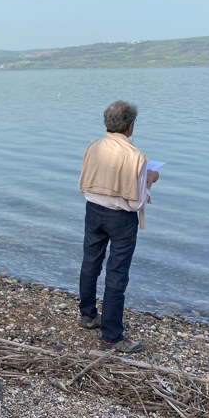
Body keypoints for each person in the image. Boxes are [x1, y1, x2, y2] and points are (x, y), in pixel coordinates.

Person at [77, 100, 159, 353]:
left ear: (107, 122)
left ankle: (88, 315)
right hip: (121, 218)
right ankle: (111, 336)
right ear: (130, 125)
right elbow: (136, 202)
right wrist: (149, 181)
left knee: (90, 263)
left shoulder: (93, 146)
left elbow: (87, 182)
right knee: (117, 274)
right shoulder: (136, 156)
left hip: (93, 210)